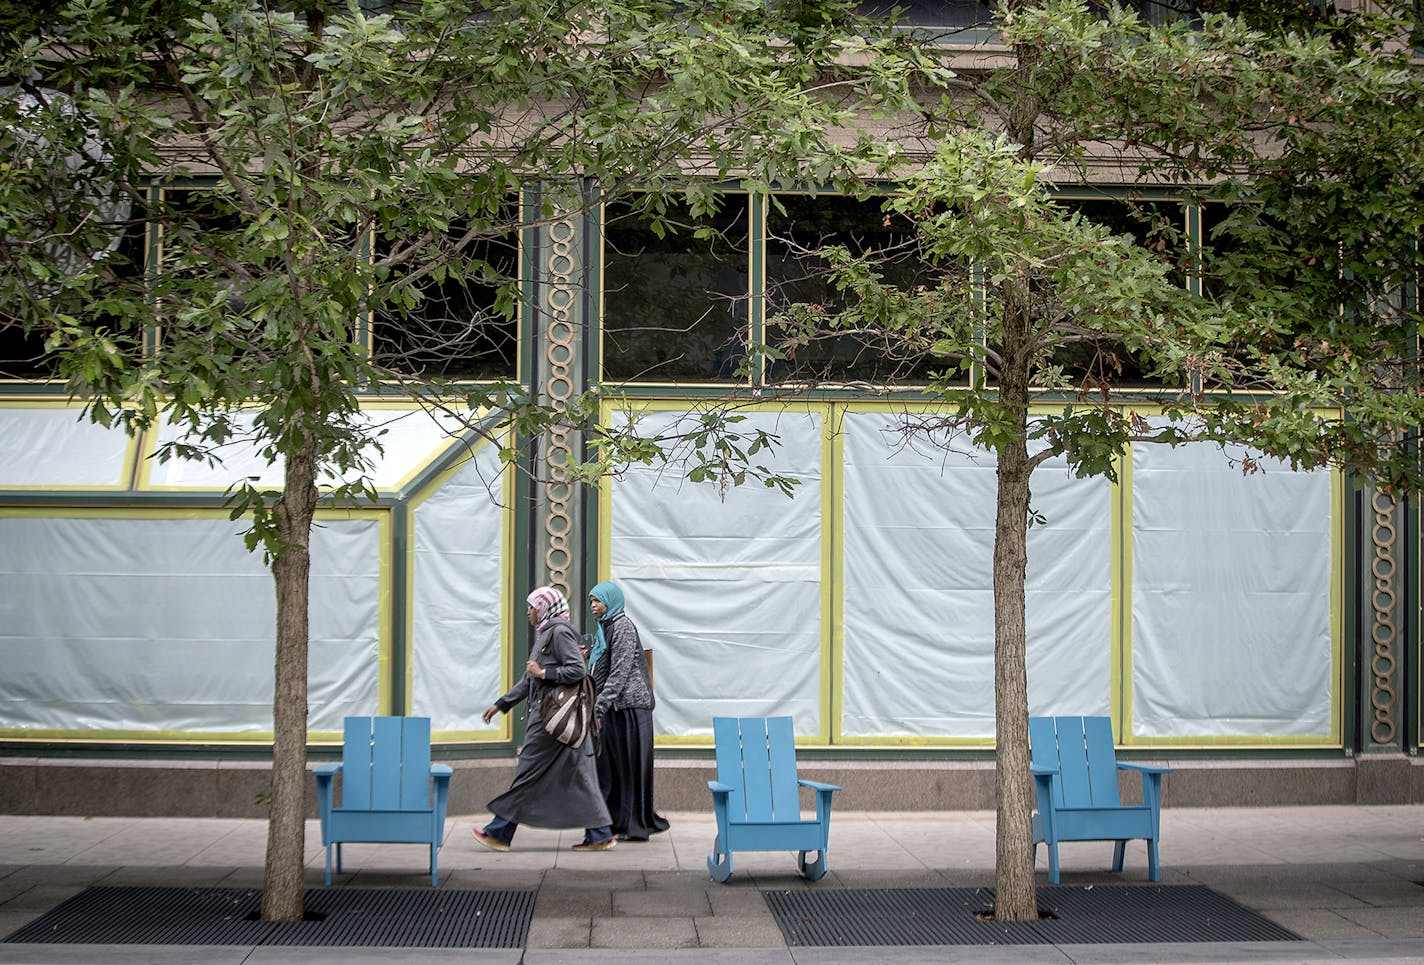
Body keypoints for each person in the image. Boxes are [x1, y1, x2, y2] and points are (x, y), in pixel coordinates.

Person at [472, 586, 615, 852]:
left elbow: (576, 670)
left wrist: (544, 672)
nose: (528, 613)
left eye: (531, 607)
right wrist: (502, 704)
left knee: (528, 771)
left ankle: (499, 831)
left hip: (552, 718)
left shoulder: (558, 632)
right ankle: (600, 834)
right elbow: (528, 679)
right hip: (553, 717)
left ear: (543, 608)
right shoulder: (546, 633)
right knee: (580, 776)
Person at [587, 580, 670, 842]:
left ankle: (635, 826)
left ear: (610, 601)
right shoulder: (605, 629)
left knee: (631, 769)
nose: (593, 607)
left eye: (597, 601)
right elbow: (601, 668)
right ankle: (618, 822)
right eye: (591, 601)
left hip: (632, 709)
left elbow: (620, 671)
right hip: (616, 708)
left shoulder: (622, 626)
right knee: (616, 769)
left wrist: (598, 704)